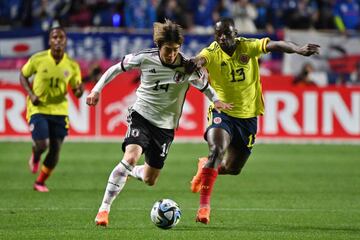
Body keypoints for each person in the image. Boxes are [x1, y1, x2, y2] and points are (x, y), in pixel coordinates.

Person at [86, 19, 232, 227]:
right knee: (130, 156)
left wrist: (216, 99)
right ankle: (104, 210)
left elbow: (206, 86)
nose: (171, 55)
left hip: (165, 128)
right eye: (167, 50)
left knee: (149, 178)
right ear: (158, 47)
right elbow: (115, 69)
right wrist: (96, 90)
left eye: (175, 50)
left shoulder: (187, 67)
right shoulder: (145, 58)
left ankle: (132, 171)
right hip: (141, 116)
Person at [189, 17, 320, 224]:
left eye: (226, 34)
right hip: (222, 112)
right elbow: (199, 60)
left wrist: (298, 49)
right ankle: (204, 208)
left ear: (235, 33)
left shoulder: (247, 46)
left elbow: (276, 45)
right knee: (216, 150)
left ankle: (206, 166)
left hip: (248, 116)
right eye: (218, 35)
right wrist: (191, 65)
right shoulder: (211, 53)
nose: (222, 38)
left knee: (233, 169)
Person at [20, 26, 84, 192]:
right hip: (38, 107)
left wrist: (79, 90)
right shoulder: (38, 58)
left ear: (65, 41)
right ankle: (35, 155)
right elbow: (23, 75)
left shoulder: (72, 65)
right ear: (49, 41)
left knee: (55, 151)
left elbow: (76, 91)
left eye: (60, 37)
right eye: (54, 37)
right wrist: (31, 94)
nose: (57, 40)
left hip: (59, 110)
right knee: (42, 145)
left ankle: (40, 182)